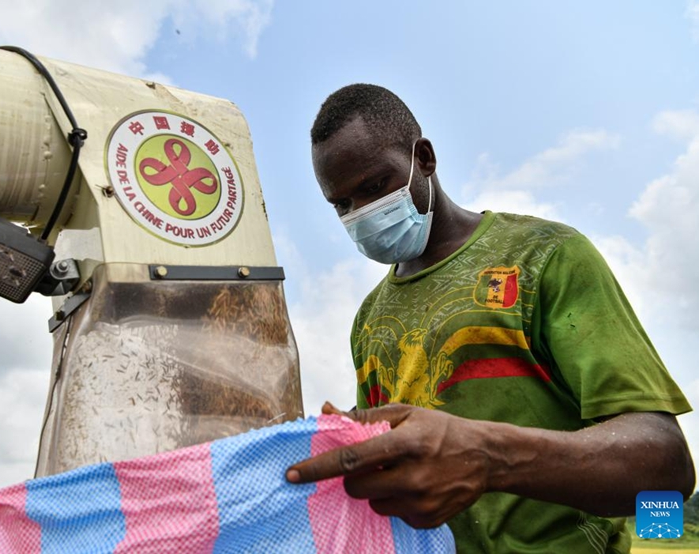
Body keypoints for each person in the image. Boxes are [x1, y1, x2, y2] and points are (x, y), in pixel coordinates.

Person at [285, 83, 695, 553]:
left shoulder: (544, 257)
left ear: (425, 159)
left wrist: (487, 457)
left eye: (375, 187)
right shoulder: (368, 320)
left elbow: (667, 468)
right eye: (342, 205)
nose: (363, 215)